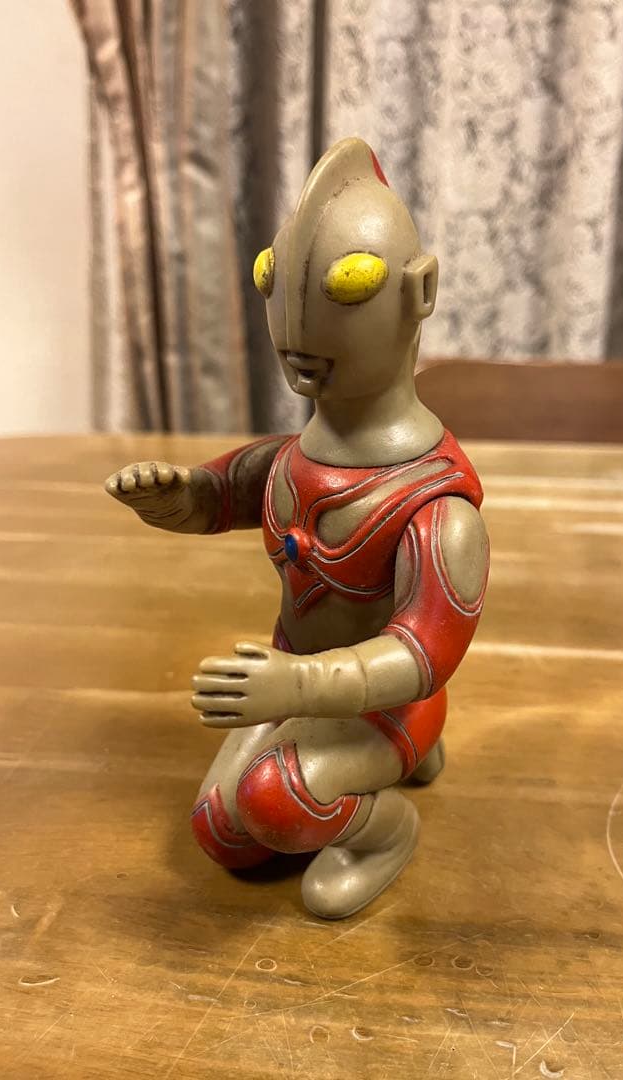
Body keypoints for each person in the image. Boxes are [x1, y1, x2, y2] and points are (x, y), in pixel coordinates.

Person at [105, 138, 489, 919]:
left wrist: (295, 685)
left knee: (272, 803)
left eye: (349, 287)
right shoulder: (290, 460)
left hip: (388, 706)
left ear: (420, 292)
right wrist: (174, 496)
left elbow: (422, 653)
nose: (297, 328)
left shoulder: (436, 509)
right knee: (222, 832)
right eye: (273, 280)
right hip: (296, 688)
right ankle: (359, 776)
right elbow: (219, 496)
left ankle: (384, 832)